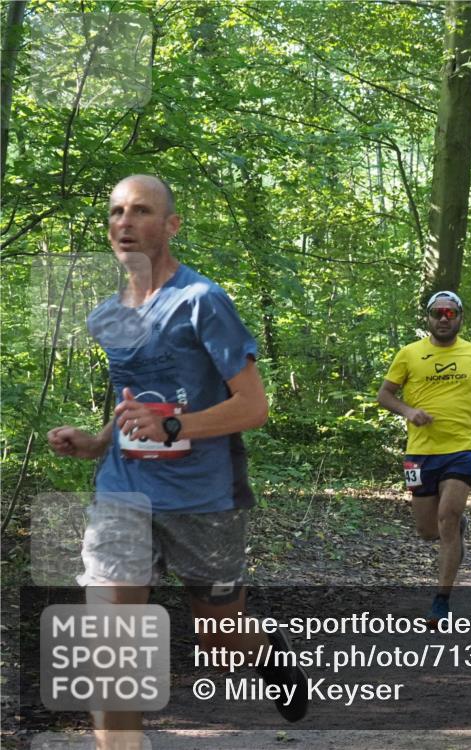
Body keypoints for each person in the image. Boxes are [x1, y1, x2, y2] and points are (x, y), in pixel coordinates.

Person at [47, 175, 307, 750]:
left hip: (203, 498)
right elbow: (133, 404)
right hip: (124, 492)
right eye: (116, 211)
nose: (124, 222)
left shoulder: (202, 302)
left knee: (220, 635)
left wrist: (174, 426)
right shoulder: (109, 315)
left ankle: (264, 653)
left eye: (141, 211)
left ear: (170, 226)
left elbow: (254, 407)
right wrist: (96, 441)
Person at [377, 291, 471, 625]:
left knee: (446, 517)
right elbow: (384, 395)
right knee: (426, 530)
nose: (444, 319)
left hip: (462, 449)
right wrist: (408, 411)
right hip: (420, 453)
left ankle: (441, 599)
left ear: (460, 317)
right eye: (438, 313)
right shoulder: (409, 354)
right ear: (428, 318)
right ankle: (457, 527)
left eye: (450, 313)